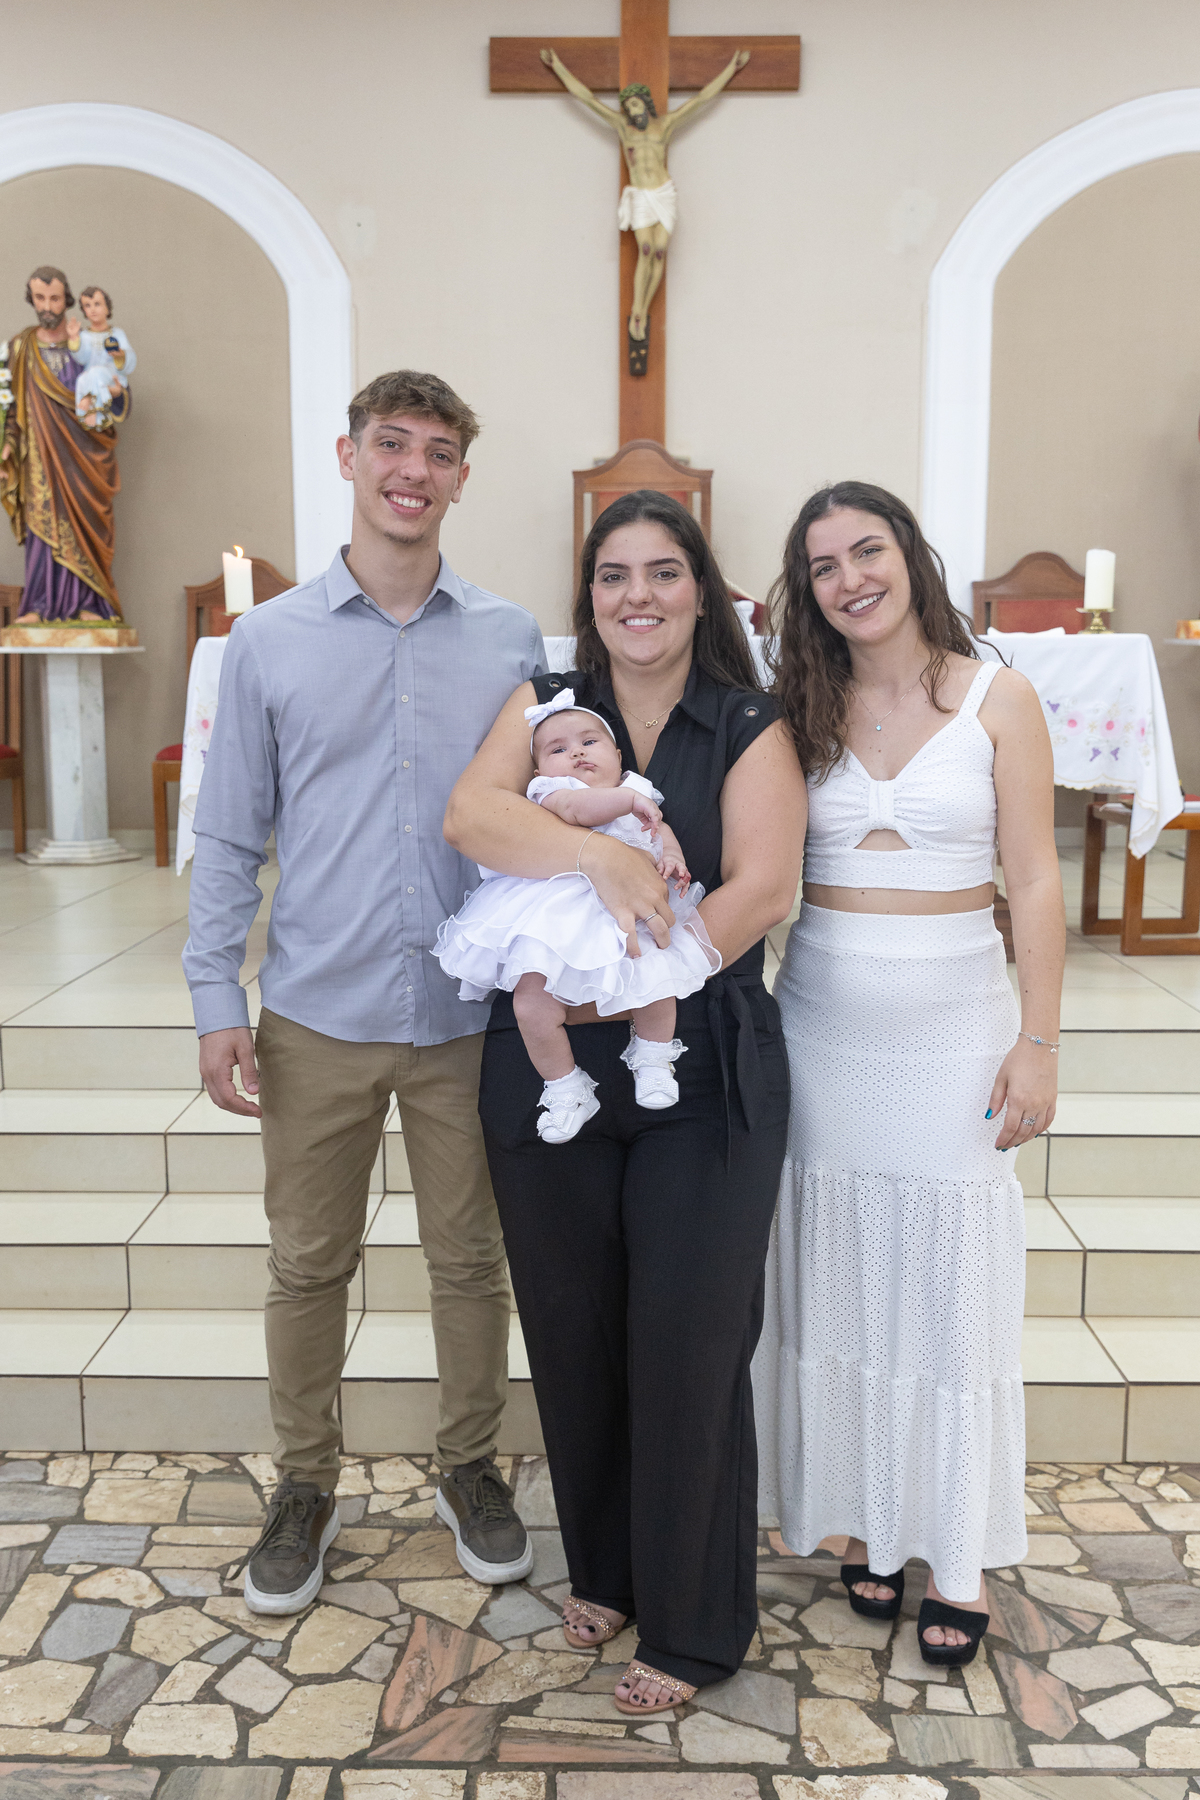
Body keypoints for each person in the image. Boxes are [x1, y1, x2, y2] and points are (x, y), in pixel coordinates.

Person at [183, 369, 544, 1613]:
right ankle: (304, 1484)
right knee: (306, 1265)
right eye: (393, 444)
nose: (412, 471)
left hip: (465, 1015)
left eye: (438, 453)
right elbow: (229, 836)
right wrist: (215, 998)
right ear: (350, 457)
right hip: (316, 1014)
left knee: (470, 1260)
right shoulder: (268, 642)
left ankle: (469, 1467)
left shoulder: (508, 639)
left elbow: (541, 813)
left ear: (460, 479)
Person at [444, 489, 806, 1714]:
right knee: (573, 1326)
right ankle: (604, 1567)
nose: (636, 596)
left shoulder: (746, 720)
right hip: (549, 1070)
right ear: (588, 594)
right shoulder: (545, 704)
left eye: (662, 572)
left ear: (701, 590)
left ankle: (695, 1625)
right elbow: (473, 816)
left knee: (688, 1343)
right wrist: (599, 852)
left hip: (697, 1060)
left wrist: (623, 985)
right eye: (613, 575)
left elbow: (761, 889)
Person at [753, 481, 1064, 1667]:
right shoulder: (800, 707)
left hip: (956, 1034)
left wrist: (1039, 1040)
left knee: (947, 1287)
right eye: (824, 565)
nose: (851, 579)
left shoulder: (998, 699)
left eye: (866, 550)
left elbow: (1034, 878)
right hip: (824, 1027)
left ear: (908, 556)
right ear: (808, 592)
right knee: (838, 1275)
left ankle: (959, 1552)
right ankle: (870, 1521)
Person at [433, 687, 720, 1139]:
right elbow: (578, 811)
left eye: (589, 742)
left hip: (629, 911)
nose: (577, 754)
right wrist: (627, 802)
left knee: (657, 979)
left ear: (617, 756)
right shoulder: (553, 792)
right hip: (559, 919)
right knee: (531, 1003)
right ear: (538, 771)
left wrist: (672, 858)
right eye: (558, 749)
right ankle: (565, 1087)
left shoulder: (638, 790)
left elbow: (659, 831)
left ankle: (653, 1056)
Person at [539, 45, 748, 369]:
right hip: (639, 195)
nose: (632, 110)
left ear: (646, 104)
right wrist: (558, 67)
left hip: (662, 193)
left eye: (636, 104)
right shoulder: (623, 128)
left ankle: (644, 308)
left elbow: (701, 100)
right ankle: (637, 311)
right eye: (628, 106)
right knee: (646, 249)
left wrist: (731, 69)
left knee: (660, 252)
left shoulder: (665, 125)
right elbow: (588, 99)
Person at [1, 266, 127, 623]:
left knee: (86, 524)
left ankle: (90, 603)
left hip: (84, 457)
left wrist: (116, 392)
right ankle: (39, 605)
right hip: (39, 458)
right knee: (41, 528)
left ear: (67, 299)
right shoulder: (20, 347)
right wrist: (6, 448)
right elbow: (11, 408)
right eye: (40, 298)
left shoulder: (87, 343)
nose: (47, 306)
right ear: (31, 299)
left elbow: (115, 386)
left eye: (54, 298)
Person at [68, 285, 135, 430]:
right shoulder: (84, 335)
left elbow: (130, 358)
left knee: (96, 372)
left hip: (112, 376)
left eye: (97, 304)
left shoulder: (117, 334)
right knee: (81, 379)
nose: (93, 309)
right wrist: (74, 338)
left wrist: (121, 355)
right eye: (88, 305)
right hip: (92, 377)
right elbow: (81, 358)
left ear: (107, 309)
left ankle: (91, 404)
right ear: (84, 311)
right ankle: (86, 419)